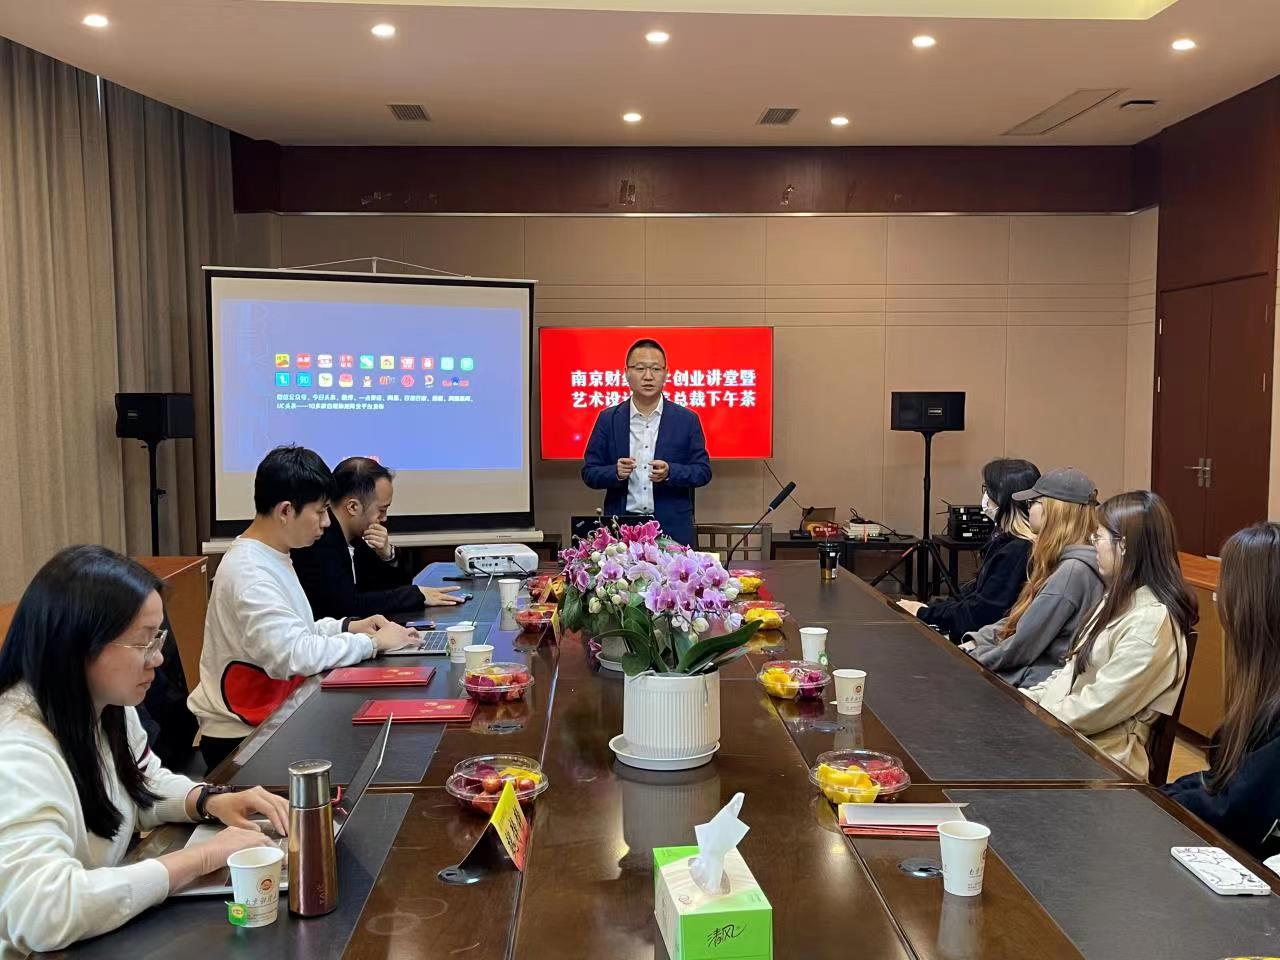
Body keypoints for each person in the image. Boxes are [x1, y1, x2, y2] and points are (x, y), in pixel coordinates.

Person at [0, 546, 289, 957]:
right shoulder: (16, 751)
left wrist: (208, 800)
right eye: (143, 642)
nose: (157, 658)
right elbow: (45, 911)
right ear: (79, 644)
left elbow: (140, 781)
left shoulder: (104, 707)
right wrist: (201, 858)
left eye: (158, 638)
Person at [188, 446, 417, 771]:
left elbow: (297, 629)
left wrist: (347, 627)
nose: (326, 522)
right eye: (320, 512)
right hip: (244, 738)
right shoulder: (250, 573)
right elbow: (293, 655)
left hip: (272, 716)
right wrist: (372, 643)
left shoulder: (272, 554)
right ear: (285, 511)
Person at [1024, 491, 1197, 779]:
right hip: (1069, 739)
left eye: (1098, 537)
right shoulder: (1118, 599)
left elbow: (1097, 707)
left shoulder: (1151, 622)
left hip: (1101, 761)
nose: (1093, 545)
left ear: (1124, 546)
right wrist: (1023, 702)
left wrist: (1032, 720)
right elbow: (1069, 672)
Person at [1163, 522, 1280, 861]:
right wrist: (1163, 794)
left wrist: (1161, 801)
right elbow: (1221, 780)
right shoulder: (1262, 687)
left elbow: (1234, 810)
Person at [961, 467, 1104, 688]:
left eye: (1033, 503)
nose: (1028, 509)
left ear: (1053, 510)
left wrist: (968, 659)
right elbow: (1017, 623)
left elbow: (1021, 647)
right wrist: (977, 641)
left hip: (1034, 685)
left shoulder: (1071, 573)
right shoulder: (1066, 564)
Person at [292, 456, 461, 620]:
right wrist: (414, 595)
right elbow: (346, 606)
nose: (384, 518)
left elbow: (392, 587)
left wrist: (387, 555)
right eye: (381, 510)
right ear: (353, 507)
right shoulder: (319, 541)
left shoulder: (356, 539)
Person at [581, 338, 711, 547]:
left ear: (666, 373)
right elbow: (589, 472)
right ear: (626, 373)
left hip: (671, 529)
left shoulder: (686, 419)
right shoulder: (608, 419)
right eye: (640, 368)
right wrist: (615, 472)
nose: (648, 376)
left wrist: (671, 472)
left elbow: (703, 471)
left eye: (656, 369)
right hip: (622, 529)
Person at [897, 458, 1040, 643]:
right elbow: (972, 598)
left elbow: (980, 615)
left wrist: (923, 613)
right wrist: (927, 609)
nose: (985, 497)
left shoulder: (1018, 550)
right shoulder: (1005, 541)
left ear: (1004, 496)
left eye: (988, 489)